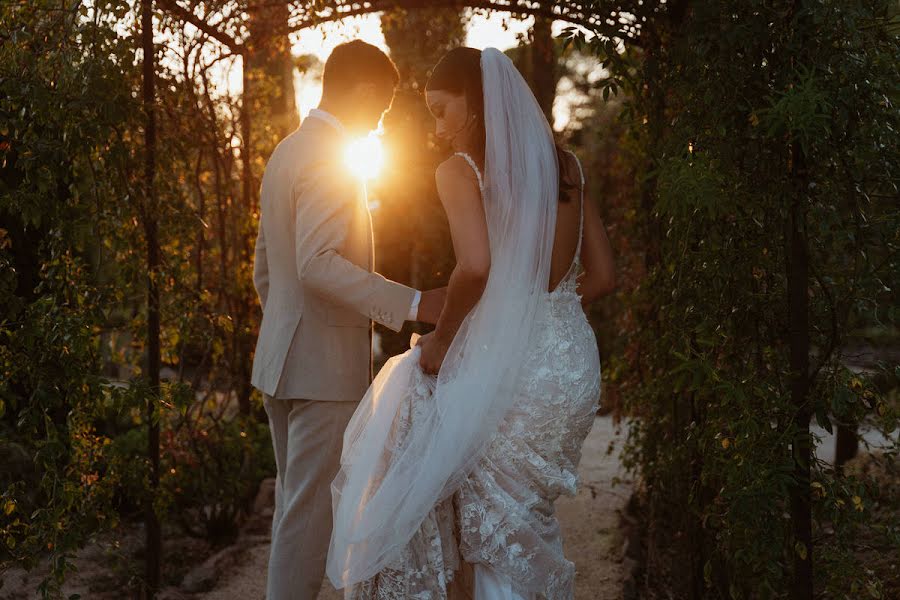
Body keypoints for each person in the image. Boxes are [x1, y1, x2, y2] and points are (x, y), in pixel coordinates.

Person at [327, 47, 616, 599]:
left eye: (441, 110)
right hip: (572, 369)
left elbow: (477, 266)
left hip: (511, 374)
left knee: (494, 526)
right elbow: (603, 276)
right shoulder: (567, 167)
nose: (437, 128)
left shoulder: (461, 171)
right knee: (528, 518)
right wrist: (540, 309)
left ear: (478, 105)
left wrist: (443, 339)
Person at [250, 40, 445, 600]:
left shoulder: (287, 151)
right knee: (308, 525)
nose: (381, 122)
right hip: (321, 370)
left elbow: (268, 269)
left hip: (283, 363)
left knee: (296, 513)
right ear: (362, 92)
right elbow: (316, 264)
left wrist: (289, 332)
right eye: (382, 106)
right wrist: (411, 304)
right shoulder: (331, 158)